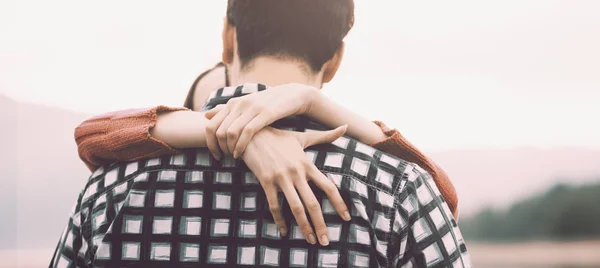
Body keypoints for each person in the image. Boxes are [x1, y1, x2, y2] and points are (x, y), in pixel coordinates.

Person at [51, 0, 471, 266]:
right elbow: (442, 197)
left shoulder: (114, 186)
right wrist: (310, 106)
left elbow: (93, 138)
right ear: (335, 59)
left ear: (227, 37)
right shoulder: (398, 190)